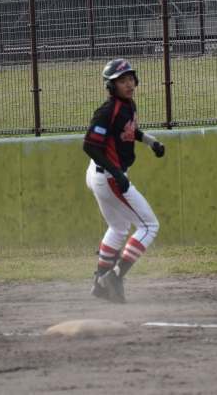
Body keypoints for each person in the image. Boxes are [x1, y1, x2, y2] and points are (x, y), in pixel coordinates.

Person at [83, 59, 165, 304]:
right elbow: (89, 145)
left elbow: (129, 130)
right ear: (111, 86)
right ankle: (115, 277)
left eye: (130, 79)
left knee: (118, 228)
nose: (129, 84)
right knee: (149, 226)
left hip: (104, 175)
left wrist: (151, 142)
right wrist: (117, 174)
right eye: (122, 81)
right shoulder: (107, 111)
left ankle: (101, 285)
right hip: (108, 176)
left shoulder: (127, 104)